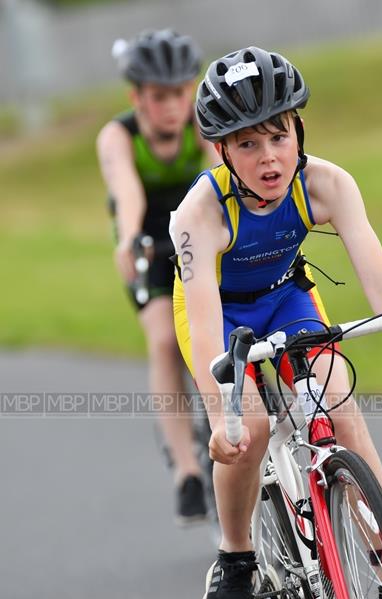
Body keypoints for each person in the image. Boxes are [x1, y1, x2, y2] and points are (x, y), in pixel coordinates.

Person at [170, 46, 382, 599]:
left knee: (340, 409)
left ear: (298, 129)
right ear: (222, 150)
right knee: (248, 430)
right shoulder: (196, 215)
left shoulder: (327, 183)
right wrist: (221, 417)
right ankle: (234, 560)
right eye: (247, 145)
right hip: (221, 319)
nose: (269, 158)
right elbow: (205, 331)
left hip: (286, 299)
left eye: (278, 137)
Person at [96, 30, 219, 522]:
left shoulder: (201, 123)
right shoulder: (118, 135)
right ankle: (187, 469)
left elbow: (221, 174)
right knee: (166, 339)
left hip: (197, 232)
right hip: (147, 241)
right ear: (137, 97)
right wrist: (128, 239)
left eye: (180, 92)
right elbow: (129, 193)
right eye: (159, 96)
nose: (173, 106)